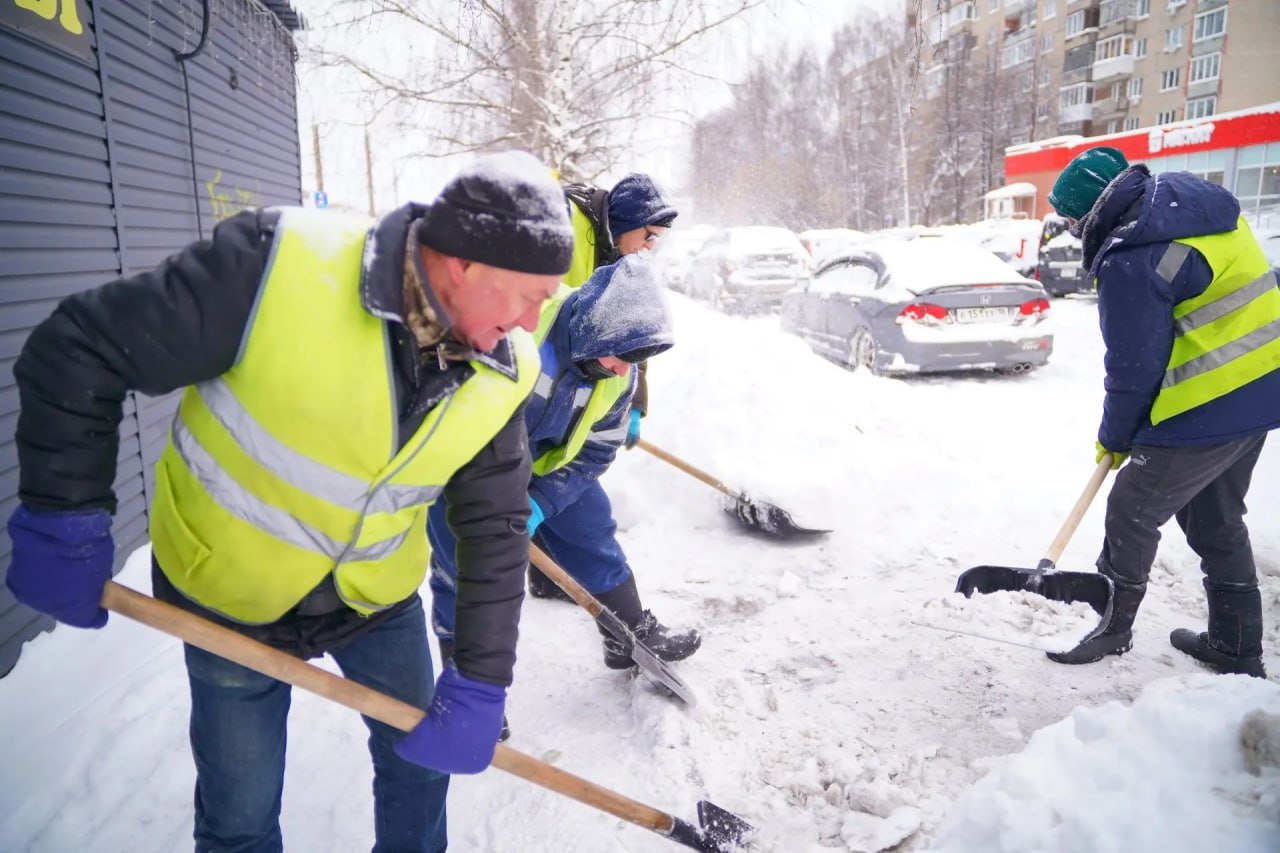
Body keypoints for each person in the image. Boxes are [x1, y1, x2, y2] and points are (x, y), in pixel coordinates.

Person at [5, 150, 576, 851]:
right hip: (227, 592)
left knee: (421, 770)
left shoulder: (501, 372)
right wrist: (63, 513)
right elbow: (79, 347)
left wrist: (482, 678)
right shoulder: (275, 265)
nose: (529, 324)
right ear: (463, 263)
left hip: (376, 600)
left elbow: (495, 525)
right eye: (528, 296)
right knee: (239, 816)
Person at [1043, 146, 1279, 678]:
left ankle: (1112, 628)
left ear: (1086, 215)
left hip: (1209, 401)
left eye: (1068, 219)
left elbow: (1133, 368)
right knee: (1215, 516)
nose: (1070, 230)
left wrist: (1116, 437)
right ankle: (1235, 646)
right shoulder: (1196, 209)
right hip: (1266, 386)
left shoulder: (1132, 256)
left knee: (1132, 508)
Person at [427, 254, 701, 683]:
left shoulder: (617, 375)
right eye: (620, 356)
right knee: (464, 569)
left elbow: (595, 453)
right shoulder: (523, 327)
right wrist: (490, 497)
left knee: (592, 527)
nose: (623, 371)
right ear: (596, 329)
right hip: (467, 466)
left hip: (547, 464)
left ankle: (627, 634)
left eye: (633, 361)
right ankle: (468, 684)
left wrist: (539, 501)